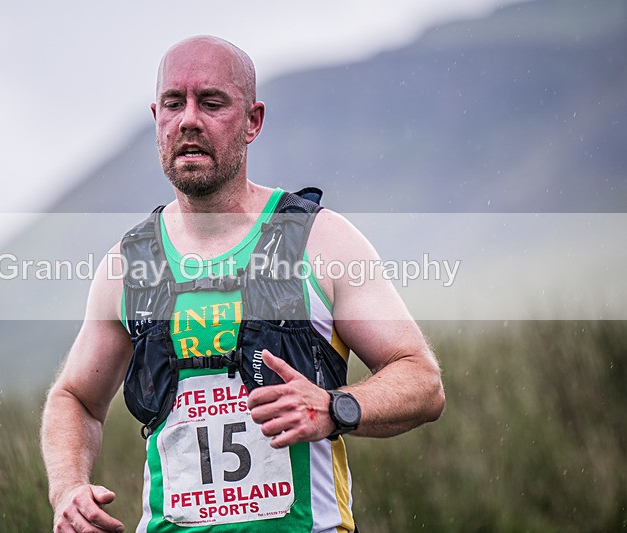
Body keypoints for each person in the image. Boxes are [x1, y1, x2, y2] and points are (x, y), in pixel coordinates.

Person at [41, 35, 445, 533]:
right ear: (156, 118)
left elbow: (423, 382)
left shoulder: (320, 240)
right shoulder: (128, 263)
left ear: (253, 121)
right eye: (174, 103)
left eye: (212, 102)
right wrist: (67, 490)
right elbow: (75, 398)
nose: (189, 119)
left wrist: (336, 406)